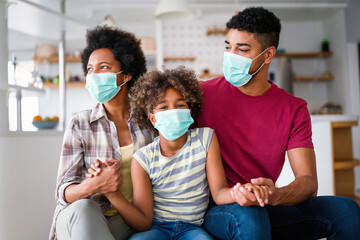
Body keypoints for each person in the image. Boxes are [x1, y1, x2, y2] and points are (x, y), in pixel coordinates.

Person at [197, 7, 360, 240]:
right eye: (228, 47)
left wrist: (274, 195)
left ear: (268, 55)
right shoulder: (202, 95)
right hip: (217, 208)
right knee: (250, 217)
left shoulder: (294, 108)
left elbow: (308, 182)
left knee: (346, 210)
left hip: (264, 204)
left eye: (242, 49)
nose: (231, 55)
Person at [88, 67, 270, 240]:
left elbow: (219, 192)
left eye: (180, 104)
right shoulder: (143, 158)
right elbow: (143, 222)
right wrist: (112, 193)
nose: (173, 111)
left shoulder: (206, 138)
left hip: (192, 229)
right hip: (156, 229)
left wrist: (239, 192)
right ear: (152, 118)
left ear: (190, 111)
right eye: (164, 107)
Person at [49, 26, 153, 240]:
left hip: (124, 218)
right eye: (90, 69)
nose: (93, 75)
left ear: (126, 75)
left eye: (103, 67)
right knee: (85, 208)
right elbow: (63, 193)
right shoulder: (80, 123)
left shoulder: (148, 123)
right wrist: (94, 184)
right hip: (80, 216)